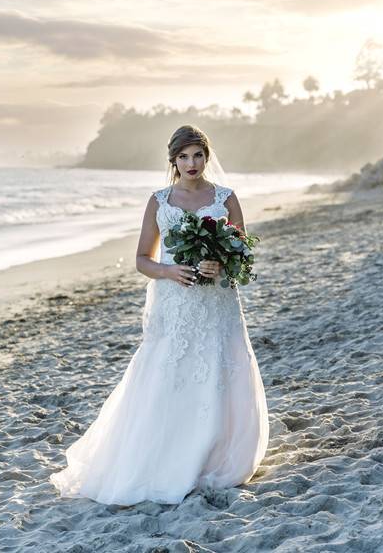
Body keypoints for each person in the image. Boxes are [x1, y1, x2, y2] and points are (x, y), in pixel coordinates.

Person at [49, 125, 269, 506]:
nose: (192, 163)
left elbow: (242, 254)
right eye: (184, 157)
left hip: (217, 301)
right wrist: (168, 271)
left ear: (207, 155)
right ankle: (169, 457)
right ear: (173, 161)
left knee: (219, 367)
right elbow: (142, 259)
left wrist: (222, 263)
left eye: (198, 154)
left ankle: (215, 455)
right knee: (171, 370)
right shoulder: (159, 201)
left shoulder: (226, 198)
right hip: (175, 301)